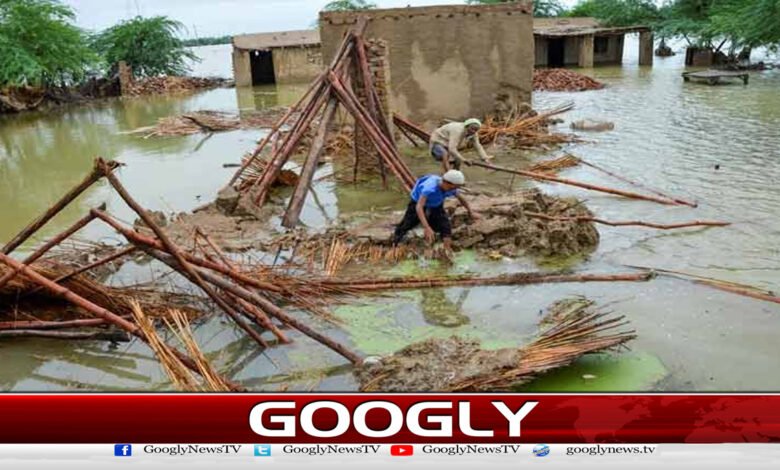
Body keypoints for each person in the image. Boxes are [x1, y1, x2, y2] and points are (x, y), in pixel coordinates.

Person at [391, 170, 479, 250]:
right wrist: (426, 227)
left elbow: (461, 198)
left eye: (455, 188)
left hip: (436, 203)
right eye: (452, 188)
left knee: (445, 225)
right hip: (418, 202)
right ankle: (395, 244)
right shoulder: (429, 188)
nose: (453, 190)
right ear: (446, 183)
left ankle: (447, 249)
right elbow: (419, 207)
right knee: (408, 223)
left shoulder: (451, 188)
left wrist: (470, 212)